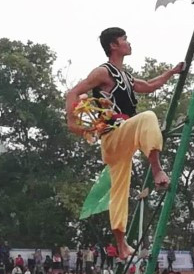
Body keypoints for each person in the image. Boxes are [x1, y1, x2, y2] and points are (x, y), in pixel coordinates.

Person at [66, 28, 184, 261]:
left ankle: (121, 247)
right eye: (124, 40)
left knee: (119, 193)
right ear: (113, 45)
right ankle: (157, 169)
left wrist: (171, 72)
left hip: (121, 140)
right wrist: (72, 123)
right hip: (112, 135)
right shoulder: (103, 72)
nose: (129, 43)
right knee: (149, 117)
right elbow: (73, 92)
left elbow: (150, 85)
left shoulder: (126, 76)